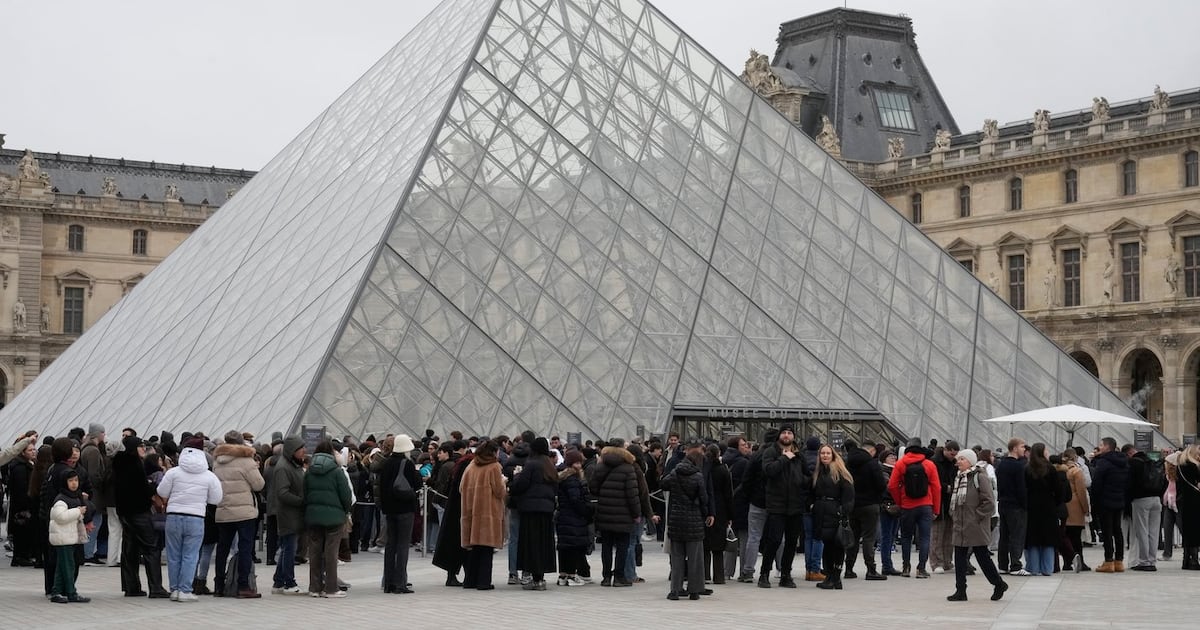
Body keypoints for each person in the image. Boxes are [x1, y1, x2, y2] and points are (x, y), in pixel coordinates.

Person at [156, 436, 222, 601]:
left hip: (174, 516)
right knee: (191, 555)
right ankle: (185, 590)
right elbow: (216, 499)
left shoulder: (173, 472)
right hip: (196, 517)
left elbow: (162, 492)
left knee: (173, 555)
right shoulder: (209, 476)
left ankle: (174, 589)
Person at [945, 449, 1008, 602]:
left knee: (982, 557)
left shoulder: (980, 477)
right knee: (959, 558)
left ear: (970, 461)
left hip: (975, 525)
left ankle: (998, 583)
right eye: (958, 459)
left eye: (962, 459)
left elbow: (989, 503)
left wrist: (975, 517)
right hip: (960, 524)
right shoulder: (959, 478)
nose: (958, 461)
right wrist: (954, 514)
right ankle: (961, 590)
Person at [112, 435, 170, 598]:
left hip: (124, 512)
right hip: (139, 511)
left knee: (130, 550)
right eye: (140, 446)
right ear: (133, 448)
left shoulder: (119, 463)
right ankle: (156, 587)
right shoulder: (135, 464)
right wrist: (152, 487)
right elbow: (142, 488)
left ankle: (132, 587)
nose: (144, 449)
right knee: (151, 548)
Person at [212, 430, 265, 598]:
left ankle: (219, 585)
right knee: (245, 548)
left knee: (222, 548)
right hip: (244, 512)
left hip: (223, 510)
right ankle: (243, 586)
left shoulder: (217, 462)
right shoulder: (246, 461)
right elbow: (259, 485)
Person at [758, 424, 810, 588]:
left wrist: (801, 481)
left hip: (795, 504)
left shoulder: (799, 456)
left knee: (791, 542)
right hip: (777, 504)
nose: (787, 435)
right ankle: (764, 573)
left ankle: (786, 574)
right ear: (779, 436)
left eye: (789, 433)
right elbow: (769, 471)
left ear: (793, 436)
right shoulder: (771, 452)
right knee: (773, 540)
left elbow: (808, 477)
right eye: (784, 433)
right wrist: (784, 458)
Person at [304, 439, 353, 598]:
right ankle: (331, 588)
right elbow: (346, 495)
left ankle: (314, 587)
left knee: (315, 552)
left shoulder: (309, 470)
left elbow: (304, 493)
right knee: (331, 553)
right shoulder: (337, 471)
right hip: (334, 518)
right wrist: (345, 511)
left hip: (313, 516)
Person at [590, 439, 642, 587]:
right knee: (622, 546)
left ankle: (606, 577)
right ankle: (619, 577)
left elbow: (593, 488)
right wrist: (636, 514)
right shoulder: (628, 467)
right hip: (624, 513)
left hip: (605, 511)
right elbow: (632, 495)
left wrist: (605, 495)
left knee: (606, 545)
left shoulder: (601, 465)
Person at [509, 437, 558, 591]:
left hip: (531, 510)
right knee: (543, 543)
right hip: (547, 510)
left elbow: (520, 485)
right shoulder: (550, 465)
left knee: (532, 544)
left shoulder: (531, 465)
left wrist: (516, 475)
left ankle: (534, 578)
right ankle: (540, 577)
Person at [888, 437, 940, 578]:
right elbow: (937, 487)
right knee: (924, 538)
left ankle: (906, 567)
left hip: (907, 505)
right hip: (925, 505)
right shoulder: (929, 464)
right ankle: (921, 569)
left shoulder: (900, 464)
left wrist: (900, 501)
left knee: (905, 537)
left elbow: (892, 486)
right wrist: (936, 509)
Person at [660, 449, 709, 600]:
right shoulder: (698, 476)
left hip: (676, 521)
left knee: (677, 557)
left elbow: (663, 484)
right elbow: (704, 499)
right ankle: (694, 591)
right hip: (694, 521)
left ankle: (675, 590)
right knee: (694, 558)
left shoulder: (675, 473)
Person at [458, 438, 505, 590]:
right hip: (488, 512)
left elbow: (461, 488)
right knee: (486, 549)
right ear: (493, 452)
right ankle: (484, 582)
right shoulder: (494, 467)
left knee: (475, 549)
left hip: (471, 511)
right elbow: (499, 491)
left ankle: (470, 580)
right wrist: (504, 481)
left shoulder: (471, 466)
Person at [378, 434, 420, 593]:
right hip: (405, 509)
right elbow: (415, 484)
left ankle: (388, 583)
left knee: (391, 546)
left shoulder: (386, 463)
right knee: (403, 546)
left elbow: (381, 487)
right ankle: (400, 583)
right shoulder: (407, 464)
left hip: (390, 510)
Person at [811, 444, 855, 590]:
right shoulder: (818, 472)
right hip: (821, 513)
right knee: (828, 545)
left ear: (833, 455)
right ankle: (830, 576)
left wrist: (842, 511)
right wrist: (811, 505)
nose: (825, 456)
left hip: (834, 513)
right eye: (822, 453)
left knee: (836, 546)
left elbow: (849, 495)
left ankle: (835, 576)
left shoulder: (840, 473)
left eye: (828, 453)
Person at [268, 436, 306, 595]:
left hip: (293, 513)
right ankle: (289, 582)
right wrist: (301, 501)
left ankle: (278, 581)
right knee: (289, 549)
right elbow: (282, 493)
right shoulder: (284, 468)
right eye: (301, 448)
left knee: (286, 548)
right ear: (292, 450)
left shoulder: (292, 465)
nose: (304, 451)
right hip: (288, 514)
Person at [843, 439, 886, 580]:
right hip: (870, 504)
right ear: (871, 451)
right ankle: (871, 570)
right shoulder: (872, 464)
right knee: (868, 537)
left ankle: (849, 569)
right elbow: (881, 484)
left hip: (853, 505)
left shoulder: (847, 463)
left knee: (853, 537)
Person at [48, 469, 93, 603]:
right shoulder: (61, 499)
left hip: (68, 536)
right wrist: (77, 511)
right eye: (70, 481)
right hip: (63, 537)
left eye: (76, 480)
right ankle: (71, 592)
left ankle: (56, 592)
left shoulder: (75, 497)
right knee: (68, 566)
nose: (74, 484)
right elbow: (60, 517)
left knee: (63, 566)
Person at [1023, 443, 1062, 576]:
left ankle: (1033, 568)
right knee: (1048, 538)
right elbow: (1058, 490)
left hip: (1031, 506)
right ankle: (1047, 568)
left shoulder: (1027, 468)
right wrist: (1055, 502)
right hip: (1048, 506)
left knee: (1033, 538)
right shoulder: (1050, 468)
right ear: (1042, 452)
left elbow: (1024, 488)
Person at [555, 449, 593, 587]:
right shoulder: (572, 479)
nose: (579, 466)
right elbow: (575, 500)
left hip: (564, 517)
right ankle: (571, 575)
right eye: (577, 463)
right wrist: (586, 511)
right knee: (573, 547)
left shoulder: (563, 477)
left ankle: (563, 575)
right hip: (573, 518)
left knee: (564, 547)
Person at [1092, 436, 1129, 573]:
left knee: (1107, 532)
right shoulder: (1123, 462)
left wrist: (1095, 501)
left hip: (1105, 501)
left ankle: (1108, 561)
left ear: (1107, 447)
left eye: (1101, 445)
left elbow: (1097, 483)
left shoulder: (1104, 462)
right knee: (1117, 530)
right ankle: (1119, 561)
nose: (1099, 447)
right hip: (1119, 500)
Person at [1124, 444, 1164, 571]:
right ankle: (1152, 560)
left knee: (1142, 531)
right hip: (1156, 499)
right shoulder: (1152, 462)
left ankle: (1144, 561)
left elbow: (1129, 484)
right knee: (1154, 531)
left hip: (1140, 499)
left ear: (1128, 454)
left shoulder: (1133, 463)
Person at [995, 438, 1029, 575]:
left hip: (1003, 503)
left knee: (1004, 535)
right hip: (1016, 505)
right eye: (1022, 447)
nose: (1024, 449)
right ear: (1014, 448)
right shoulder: (1019, 466)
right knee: (1017, 535)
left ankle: (1003, 565)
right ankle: (1016, 565)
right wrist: (1025, 505)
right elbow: (1021, 488)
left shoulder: (1001, 465)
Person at [703, 443, 733, 585]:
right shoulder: (723, 470)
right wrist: (730, 515)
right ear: (718, 454)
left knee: (705, 544)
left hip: (705, 508)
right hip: (721, 509)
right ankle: (719, 577)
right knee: (718, 547)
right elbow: (728, 494)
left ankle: (705, 575)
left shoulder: (703, 470)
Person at [7, 438, 38, 566]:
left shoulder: (27, 464)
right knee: (22, 532)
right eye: (30, 450)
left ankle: (22, 556)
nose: (33, 452)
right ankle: (21, 557)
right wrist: (27, 503)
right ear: (22, 452)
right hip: (22, 507)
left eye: (33, 449)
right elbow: (21, 489)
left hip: (23, 505)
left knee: (24, 532)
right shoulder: (20, 467)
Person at [1168, 446, 1200, 569]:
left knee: (1188, 530)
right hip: (1195, 500)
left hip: (1185, 501)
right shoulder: (1193, 466)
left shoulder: (1181, 466)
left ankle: (1186, 559)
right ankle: (1193, 560)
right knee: (1195, 530)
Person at [930, 441, 960, 573]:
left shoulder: (954, 463)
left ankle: (947, 561)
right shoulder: (934, 462)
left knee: (949, 533)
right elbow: (932, 481)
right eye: (951, 453)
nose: (953, 456)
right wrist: (946, 487)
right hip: (939, 501)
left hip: (951, 501)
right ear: (945, 450)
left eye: (955, 454)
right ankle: (937, 563)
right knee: (937, 534)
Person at [1061, 449, 1091, 571]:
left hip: (1063, 505)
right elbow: (1081, 492)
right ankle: (1080, 561)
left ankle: (1067, 562)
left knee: (1065, 535)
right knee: (1076, 536)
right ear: (1075, 458)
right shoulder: (1076, 471)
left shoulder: (1060, 470)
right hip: (1075, 505)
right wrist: (1086, 508)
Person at [878, 449, 902, 576]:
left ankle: (887, 564)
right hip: (887, 505)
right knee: (887, 536)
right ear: (883, 459)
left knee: (891, 536)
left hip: (895, 505)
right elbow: (889, 486)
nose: (893, 457)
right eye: (890, 456)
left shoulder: (895, 470)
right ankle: (886, 565)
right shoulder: (884, 471)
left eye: (894, 455)